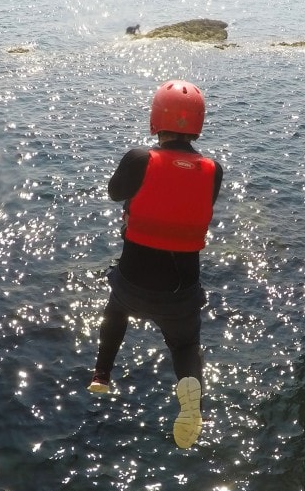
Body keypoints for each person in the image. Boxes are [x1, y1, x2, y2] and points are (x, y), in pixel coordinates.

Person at [89, 79, 224, 449]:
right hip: (181, 292)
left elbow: (115, 193)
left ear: (155, 119)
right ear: (197, 123)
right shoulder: (214, 170)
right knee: (184, 347)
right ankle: (190, 395)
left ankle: (102, 373)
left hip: (133, 283)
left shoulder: (139, 159)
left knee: (115, 312)